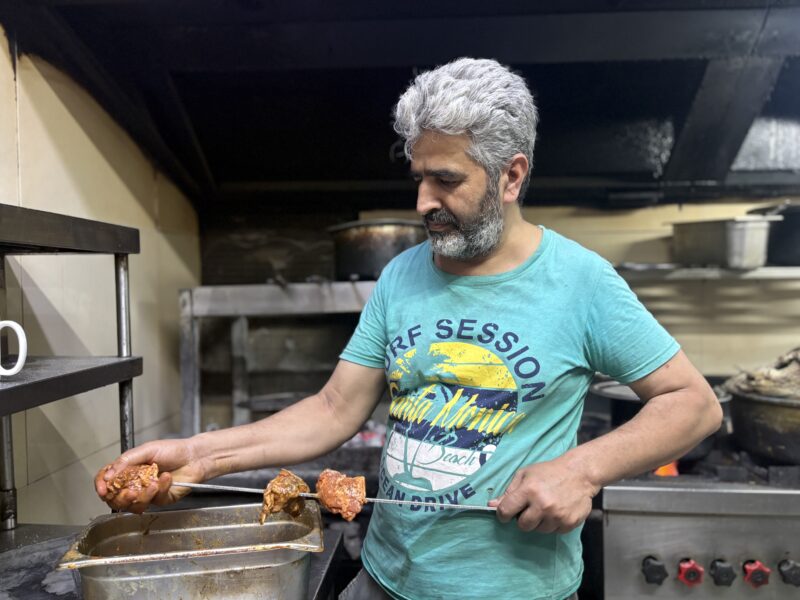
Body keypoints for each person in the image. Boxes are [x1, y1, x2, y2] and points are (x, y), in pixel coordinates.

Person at [95, 58, 722, 600]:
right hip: (384, 578)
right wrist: (199, 456)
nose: (423, 201)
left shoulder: (581, 281)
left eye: (446, 180)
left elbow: (694, 404)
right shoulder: (401, 275)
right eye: (419, 177)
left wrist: (582, 470)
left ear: (511, 176)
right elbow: (334, 409)